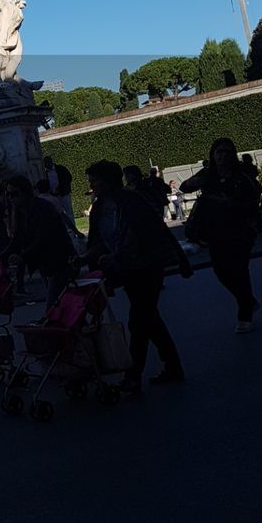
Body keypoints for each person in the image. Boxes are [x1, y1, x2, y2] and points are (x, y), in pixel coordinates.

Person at [83, 160, 192, 394]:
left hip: (146, 266)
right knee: (149, 318)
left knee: (139, 320)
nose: (92, 185)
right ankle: (172, 366)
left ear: (109, 181)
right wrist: (87, 258)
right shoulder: (103, 205)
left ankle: (133, 376)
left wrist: (113, 258)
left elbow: (146, 236)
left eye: (95, 180)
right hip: (129, 268)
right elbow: (101, 241)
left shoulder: (129, 202)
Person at [180, 139, 261, 332]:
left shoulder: (241, 176)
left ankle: (245, 314)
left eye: (225, 152)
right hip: (215, 231)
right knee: (221, 271)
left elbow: (252, 200)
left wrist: (230, 204)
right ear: (213, 155)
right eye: (218, 152)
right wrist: (198, 181)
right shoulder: (208, 175)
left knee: (240, 272)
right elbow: (185, 187)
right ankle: (247, 301)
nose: (222, 156)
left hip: (239, 230)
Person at [6, 176, 73, 308]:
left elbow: (44, 237)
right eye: (8, 194)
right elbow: (17, 238)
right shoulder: (20, 211)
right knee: (60, 305)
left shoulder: (42, 208)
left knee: (53, 306)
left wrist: (23, 256)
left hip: (60, 259)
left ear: (25, 192)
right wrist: (2, 256)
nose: (10, 197)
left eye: (14, 194)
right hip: (44, 261)